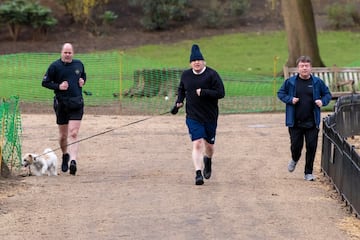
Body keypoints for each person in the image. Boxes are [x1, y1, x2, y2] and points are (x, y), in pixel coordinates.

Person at [172, 44, 225, 185]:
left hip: (210, 116)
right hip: (193, 116)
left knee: (209, 146)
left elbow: (221, 93)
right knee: (197, 143)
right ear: (190, 63)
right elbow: (182, 89)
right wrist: (179, 102)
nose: (196, 62)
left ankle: (208, 160)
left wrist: (204, 92)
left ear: (204, 62)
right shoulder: (186, 75)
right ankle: (198, 173)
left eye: (199, 60)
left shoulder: (212, 75)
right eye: (194, 60)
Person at [277, 55, 331, 181]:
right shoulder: (290, 82)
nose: (304, 68)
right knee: (296, 146)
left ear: (311, 68)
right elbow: (281, 93)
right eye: (302, 66)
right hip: (295, 121)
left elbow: (327, 94)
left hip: (312, 122)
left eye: (307, 66)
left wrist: (322, 101)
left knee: (311, 147)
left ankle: (308, 172)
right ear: (298, 68)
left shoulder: (317, 82)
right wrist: (290, 99)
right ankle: (295, 158)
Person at [42, 43, 87, 176]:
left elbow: (83, 76)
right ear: (61, 53)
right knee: (63, 136)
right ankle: (65, 155)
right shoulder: (54, 66)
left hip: (76, 102)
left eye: (70, 52)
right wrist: (58, 86)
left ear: (73, 53)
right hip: (61, 104)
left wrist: (82, 81)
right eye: (65, 52)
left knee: (73, 133)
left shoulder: (79, 64)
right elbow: (45, 82)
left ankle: (73, 161)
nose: (67, 55)